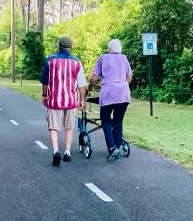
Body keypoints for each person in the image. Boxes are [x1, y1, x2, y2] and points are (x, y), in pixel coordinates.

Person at [40, 36, 87, 166]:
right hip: (71, 100)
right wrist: (82, 99)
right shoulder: (77, 62)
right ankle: (67, 152)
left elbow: (45, 81)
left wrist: (44, 95)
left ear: (58, 46)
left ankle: (55, 151)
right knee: (69, 127)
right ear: (70, 47)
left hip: (54, 100)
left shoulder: (50, 60)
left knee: (53, 127)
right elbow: (81, 84)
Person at [90, 39, 132, 161]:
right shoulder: (124, 58)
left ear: (109, 48)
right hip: (123, 95)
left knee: (106, 121)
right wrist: (122, 86)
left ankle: (112, 148)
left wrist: (89, 87)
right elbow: (129, 77)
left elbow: (93, 78)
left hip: (108, 93)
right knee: (118, 121)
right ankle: (118, 144)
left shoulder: (103, 58)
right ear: (120, 48)